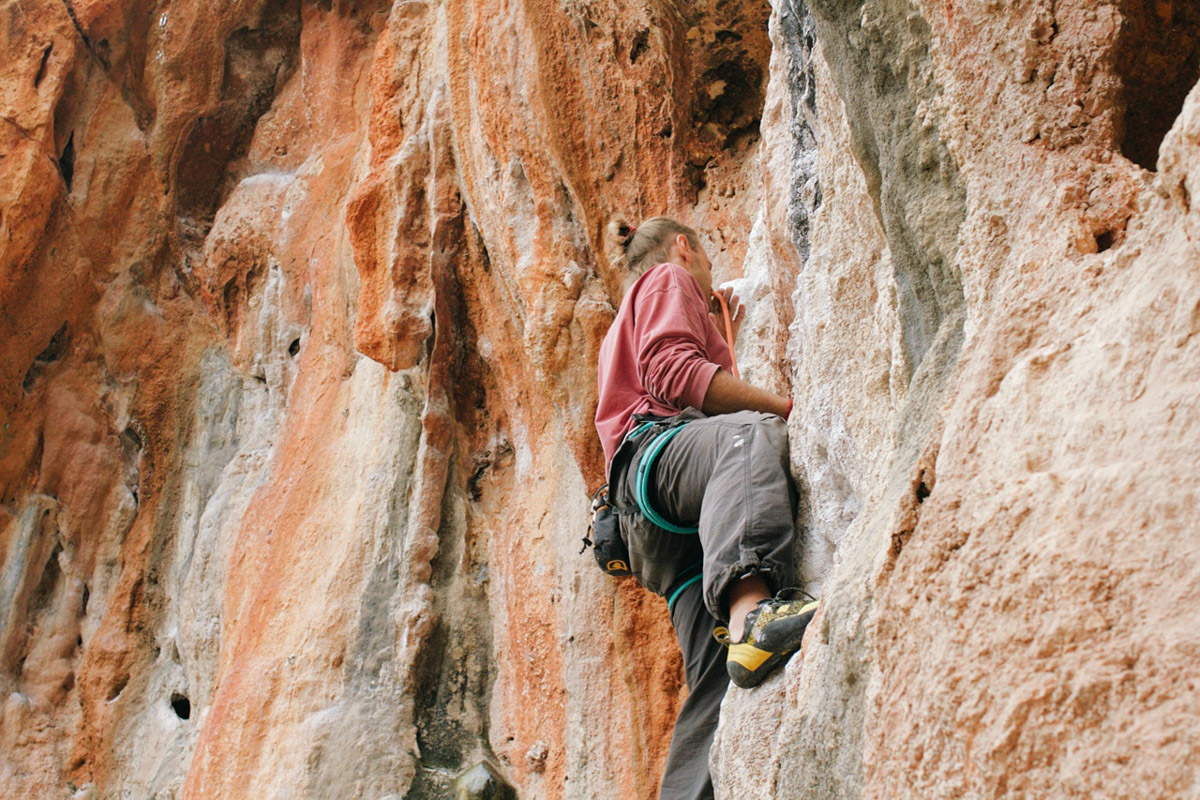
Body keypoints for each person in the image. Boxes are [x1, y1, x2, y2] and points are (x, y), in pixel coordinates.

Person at [594, 216, 818, 800]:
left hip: (656, 529)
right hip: (661, 463)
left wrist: (719, 331)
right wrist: (784, 406)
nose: (706, 280)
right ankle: (753, 616)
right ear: (684, 248)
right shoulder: (670, 277)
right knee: (749, 433)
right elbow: (675, 374)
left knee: (714, 686)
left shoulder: (627, 318)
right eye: (707, 269)